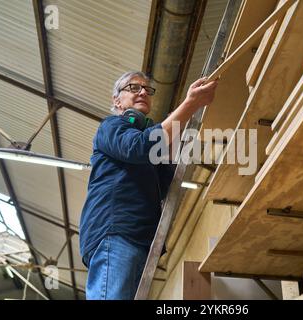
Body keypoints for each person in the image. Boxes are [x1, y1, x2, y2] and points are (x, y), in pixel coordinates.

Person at [79, 71, 218, 300]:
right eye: (134, 88)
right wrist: (190, 103)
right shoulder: (112, 126)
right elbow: (139, 147)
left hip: (142, 239)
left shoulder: (150, 144)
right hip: (116, 231)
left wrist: (178, 129)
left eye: (147, 89)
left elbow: (164, 184)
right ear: (117, 100)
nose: (143, 92)